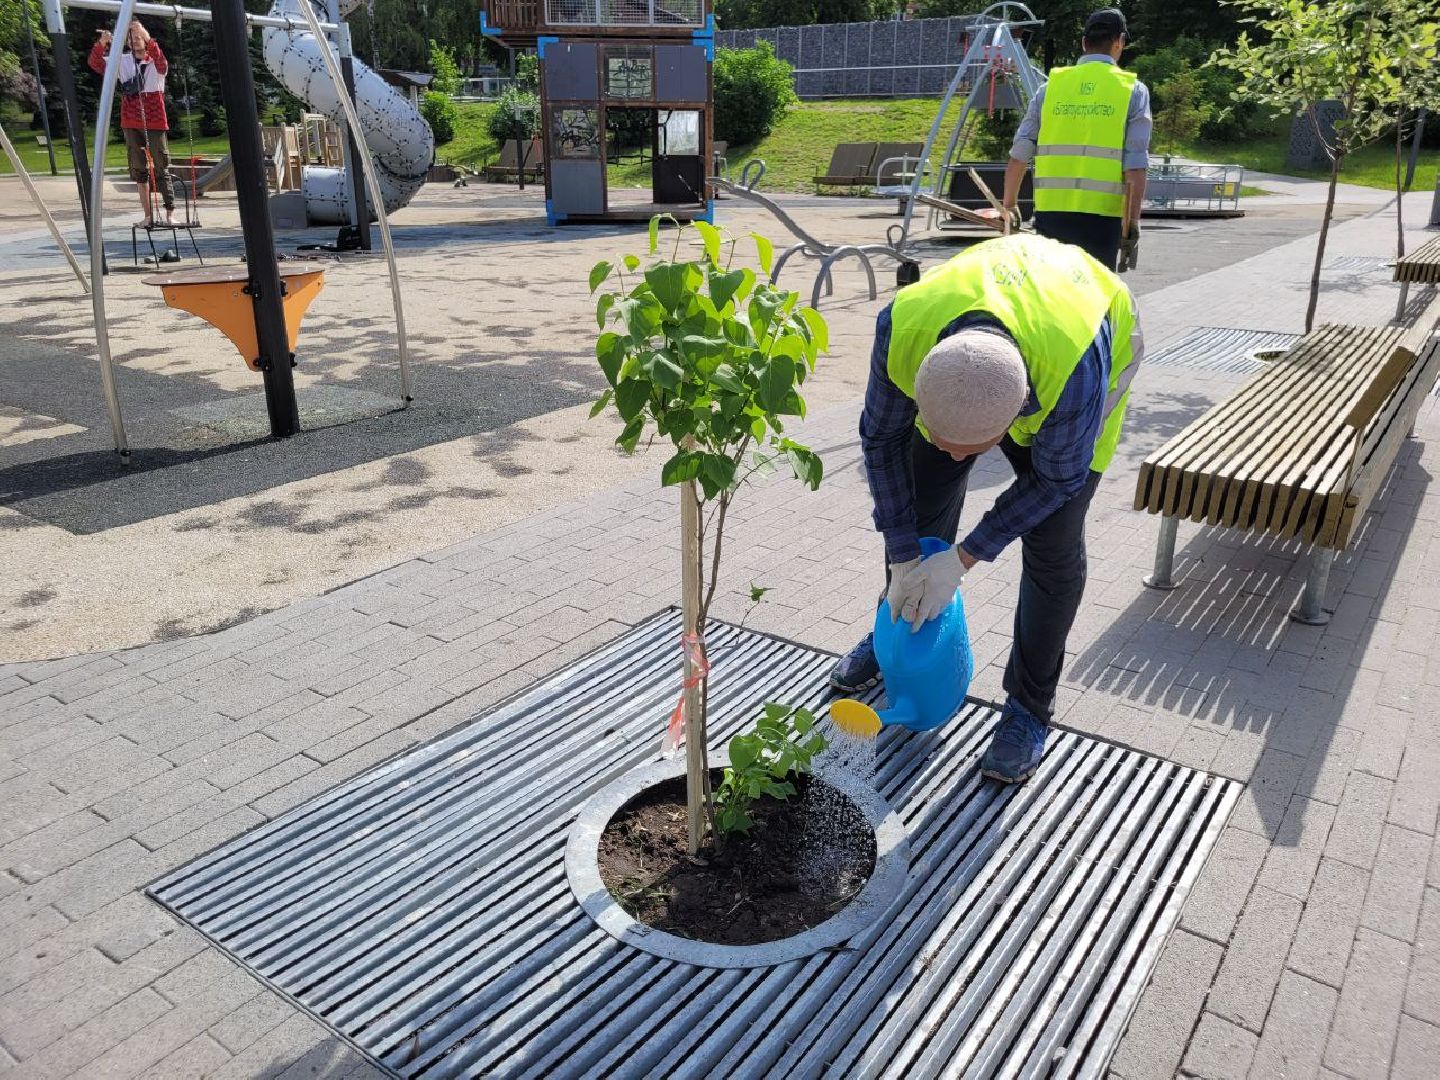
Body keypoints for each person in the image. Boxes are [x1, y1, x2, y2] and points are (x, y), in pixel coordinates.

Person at [829, 233, 1144, 784]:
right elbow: (881, 444)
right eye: (942, 434)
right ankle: (896, 634)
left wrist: (965, 558)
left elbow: (1056, 480)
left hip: (1081, 341)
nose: (954, 455)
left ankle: (1029, 707)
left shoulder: (1073, 376)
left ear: (1018, 414)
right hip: (987, 331)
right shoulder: (903, 328)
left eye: (971, 449)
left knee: (1052, 547)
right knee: (921, 508)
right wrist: (906, 558)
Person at [995, 8, 1151, 273]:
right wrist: (1131, 223)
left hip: (1051, 218)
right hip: (1103, 222)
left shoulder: (1051, 88)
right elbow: (1134, 165)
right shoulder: (1132, 91)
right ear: (1119, 42)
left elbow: (1020, 153)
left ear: (1083, 43)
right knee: (1094, 301)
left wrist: (1009, 205)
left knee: (1051, 295)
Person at [89, 19, 176, 227]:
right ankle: (148, 215)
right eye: (132, 38)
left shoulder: (154, 60)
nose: (136, 41)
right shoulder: (122, 61)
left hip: (154, 120)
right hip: (131, 119)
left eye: (139, 38)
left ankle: (170, 212)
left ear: (145, 39)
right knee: (139, 169)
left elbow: (162, 63)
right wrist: (102, 44)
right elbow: (97, 64)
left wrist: (145, 34)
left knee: (161, 165)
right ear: (127, 42)